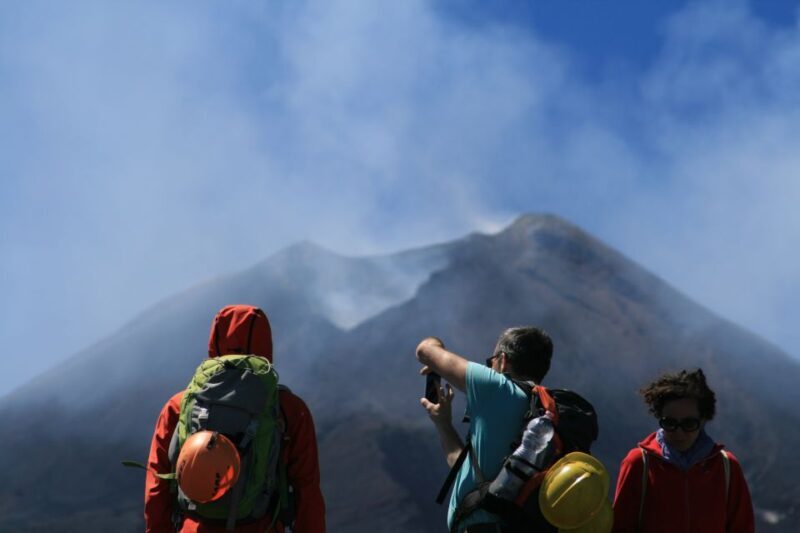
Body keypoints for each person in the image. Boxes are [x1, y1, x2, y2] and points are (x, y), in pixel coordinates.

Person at [144, 304, 326, 532]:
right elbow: (307, 489)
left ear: (214, 343)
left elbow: (157, 488)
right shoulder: (288, 409)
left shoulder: (179, 405)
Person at [416, 326, 556, 533]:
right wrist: (443, 423)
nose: (490, 368)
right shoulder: (543, 413)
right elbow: (463, 467)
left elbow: (425, 350)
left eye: (491, 363)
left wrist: (435, 347)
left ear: (502, 360)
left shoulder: (498, 387)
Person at [612, 368, 754, 532]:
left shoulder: (727, 467)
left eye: (689, 424)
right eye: (670, 423)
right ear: (660, 419)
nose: (679, 432)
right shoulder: (639, 463)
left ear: (702, 421)